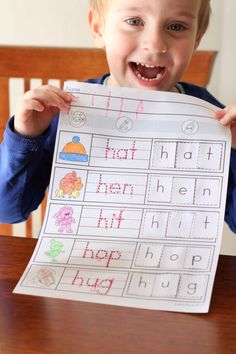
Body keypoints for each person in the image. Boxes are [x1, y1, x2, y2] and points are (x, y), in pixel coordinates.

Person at [0, 0, 236, 233]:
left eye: (176, 26)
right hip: (76, 262)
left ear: (198, 37)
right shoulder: (64, 111)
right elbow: (7, 211)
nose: (155, 45)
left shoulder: (211, 115)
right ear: (97, 28)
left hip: (173, 266)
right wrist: (25, 137)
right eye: (134, 21)